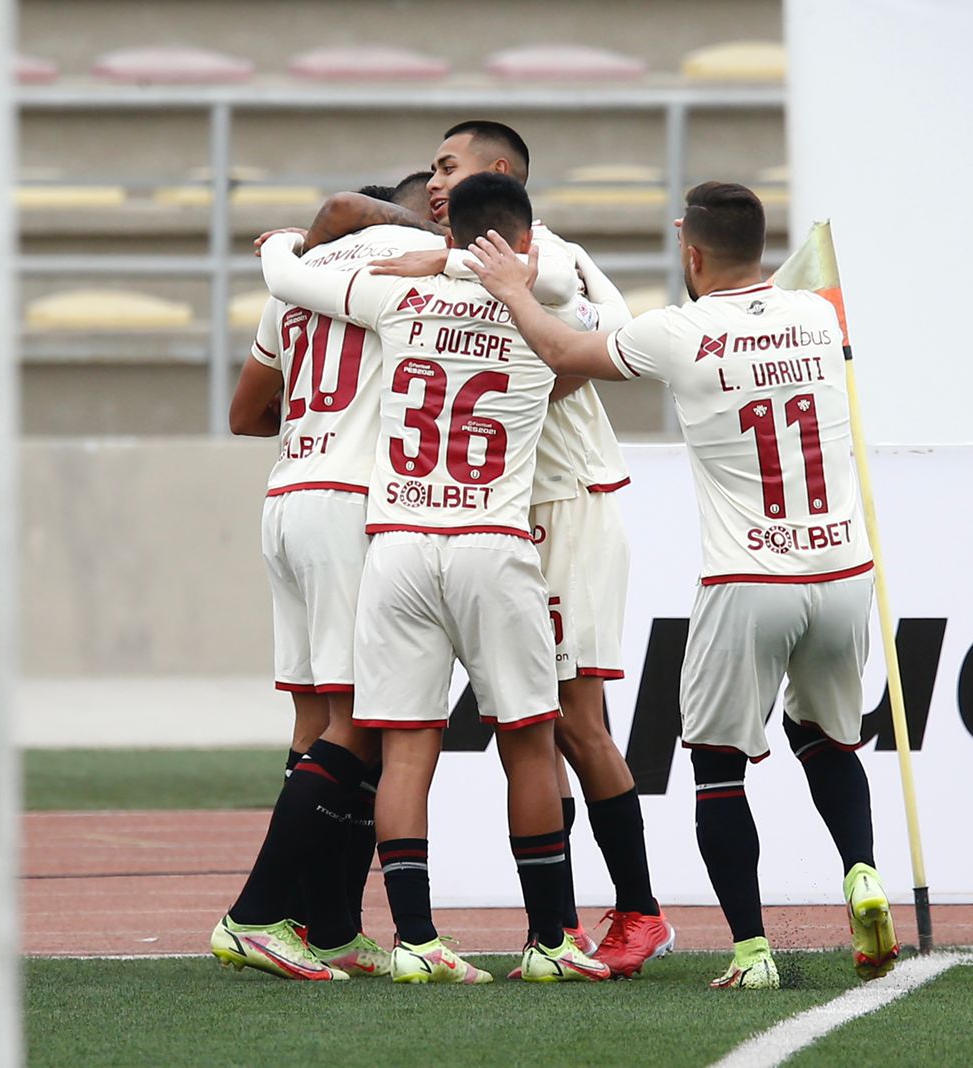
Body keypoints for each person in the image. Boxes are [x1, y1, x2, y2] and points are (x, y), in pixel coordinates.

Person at [464, 180, 901, 990]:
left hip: (750, 577)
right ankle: (862, 871)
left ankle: (752, 951)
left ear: (691, 253)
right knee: (827, 739)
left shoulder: (676, 331)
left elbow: (563, 354)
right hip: (842, 570)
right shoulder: (819, 314)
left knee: (719, 767)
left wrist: (515, 290)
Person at [318, 120, 673, 978]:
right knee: (534, 728)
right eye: (432, 170)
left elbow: (599, 340)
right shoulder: (463, 268)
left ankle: (638, 911)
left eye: (449, 167)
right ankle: (560, 929)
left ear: (500, 173)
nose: (434, 183)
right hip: (493, 515)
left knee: (572, 721)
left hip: (563, 500)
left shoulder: (544, 255)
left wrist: (443, 271)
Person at [256, 171, 611, 984]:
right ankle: (550, 942)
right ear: (526, 239)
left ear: (448, 234)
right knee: (529, 743)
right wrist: (503, 273)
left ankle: (415, 940)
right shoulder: (548, 317)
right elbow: (600, 317)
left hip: (400, 545)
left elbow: (290, 281)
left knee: (408, 748)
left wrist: (280, 246)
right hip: (492, 544)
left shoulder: (396, 296)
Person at [210, 175, 443, 981]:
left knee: (316, 723)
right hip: (352, 502)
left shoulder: (300, 280)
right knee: (360, 726)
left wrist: (321, 421)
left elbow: (245, 414)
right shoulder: (415, 265)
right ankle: (255, 916)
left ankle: (330, 927)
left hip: (289, 494)